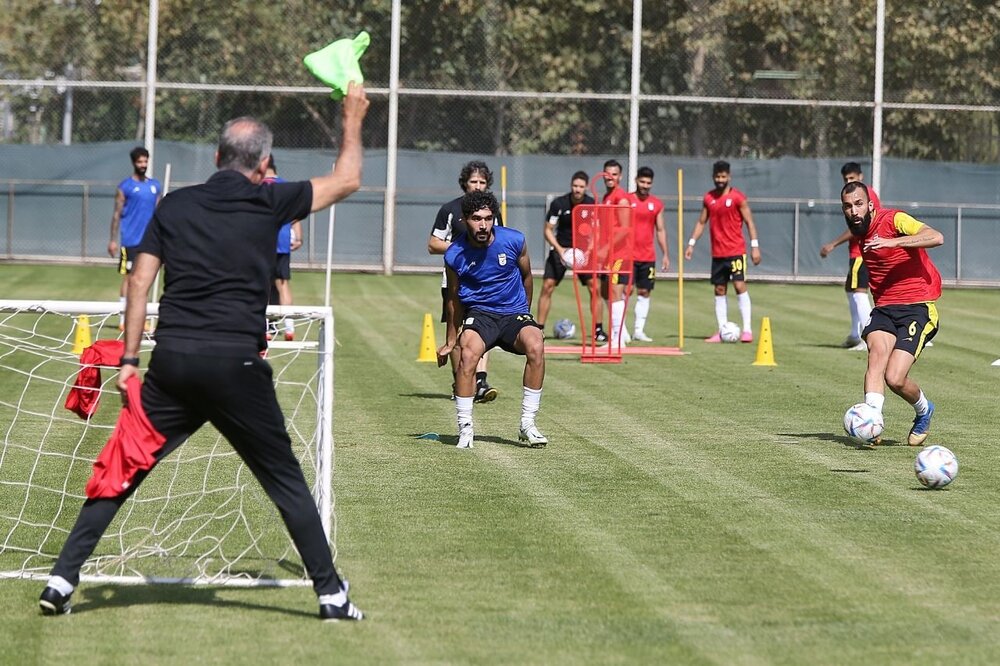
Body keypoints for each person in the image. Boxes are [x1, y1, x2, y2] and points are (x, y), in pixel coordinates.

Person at [38, 83, 370, 622]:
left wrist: (127, 362)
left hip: (171, 367)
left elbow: (140, 284)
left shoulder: (174, 204)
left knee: (123, 470)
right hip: (236, 366)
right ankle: (331, 595)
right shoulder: (270, 199)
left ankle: (61, 578)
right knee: (285, 483)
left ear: (216, 158)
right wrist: (351, 116)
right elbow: (349, 178)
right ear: (264, 165)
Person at [436, 190, 547, 450]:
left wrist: (525, 315)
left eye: (488, 218)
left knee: (537, 343)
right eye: (477, 218)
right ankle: (465, 428)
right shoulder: (454, 254)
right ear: (465, 220)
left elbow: (527, 277)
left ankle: (527, 424)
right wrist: (450, 340)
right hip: (480, 314)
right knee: (468, 353)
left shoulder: (515, 240)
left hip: (513, 312)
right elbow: (453, 298)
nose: (483, 224)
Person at [840, 180, 942, 446]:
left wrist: (894, 243)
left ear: (870, 205)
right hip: (885, 309)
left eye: (859, 204)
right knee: (876, 357)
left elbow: (936, 236)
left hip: (917, 308)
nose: (854, 210)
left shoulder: (894, 220)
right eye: (848, 206)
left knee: (895, 378)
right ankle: (871, 423)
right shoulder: (859, 232)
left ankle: (924, 410)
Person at [428, 161, 499, 402]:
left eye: (482, 182)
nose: (477, 186)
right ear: (464, 183)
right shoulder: (450, 210)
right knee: (457, 331)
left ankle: (480, 381)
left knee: (485, 328)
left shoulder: (491, 213)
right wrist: (462, 248)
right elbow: (433, 244)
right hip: (455, 281)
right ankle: (460, 380)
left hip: (484, 281)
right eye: (473, 182)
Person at [683, 160, 761, 343]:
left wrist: (755, 246)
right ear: (713, 177)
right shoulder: (708, 198)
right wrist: (691, 243)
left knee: (739, 285)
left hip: (736, 251)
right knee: (719, 289)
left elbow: (749, 222)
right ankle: (721, 330)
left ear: (729, 177)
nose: (720, 179)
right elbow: (702, 222)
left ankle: (747, 330)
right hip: (718, 253)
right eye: (717, 176)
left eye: (723, 176)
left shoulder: (738, 198)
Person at [819, 162, 880, 351]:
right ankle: (854, 334)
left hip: (862, 252)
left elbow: (857, 229)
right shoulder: (857, 196)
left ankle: (869, 338)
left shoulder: (865, 195)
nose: (848, 182)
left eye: (852, 178)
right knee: (850, 290)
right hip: (858, 251)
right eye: (846, 179)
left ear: (860, 177)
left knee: (859, 294)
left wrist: (833, 244)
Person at [535, 170, 599, 338]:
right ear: (571, 186)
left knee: (595, 288)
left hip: (584, 252)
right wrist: (560, 249)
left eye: (581, 186)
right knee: (547, 286)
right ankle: (539, 329)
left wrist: (588, 251)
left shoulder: (591, 204)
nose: (577, 189)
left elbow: (596, 231)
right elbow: (548, 230)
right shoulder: (559, 204)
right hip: (561, 250)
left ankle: (598, 330)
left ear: (586, 187)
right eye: (575, 186)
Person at [108, 146, 161, 330]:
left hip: (150, 241)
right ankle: (124, 319)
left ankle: (140, 317)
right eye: (140, 161)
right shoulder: (125, 187)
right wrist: (113, 239)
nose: (143, 165)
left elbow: (160, 213)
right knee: (130, 279)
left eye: (145, 161)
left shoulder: (155, 186)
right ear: (134, 163)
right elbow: (116, 214)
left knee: (144, 279)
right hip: (130, 240)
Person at [263, 155, 304, 341]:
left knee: (263, 284)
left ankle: (266, 327)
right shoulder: (287, 187)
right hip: (282, 242)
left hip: (261, 242)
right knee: (282, 285)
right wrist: (298, 236)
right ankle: (288, 327)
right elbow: (296, 215)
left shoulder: (256, 186)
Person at [627, 166, 669, 342]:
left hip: (647, 256)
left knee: (644, 292)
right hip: (627, 256)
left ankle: (639, 330)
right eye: (642, 181)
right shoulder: (626, 200)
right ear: (636, 180)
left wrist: (665, 254)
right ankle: (620, 331)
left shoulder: (656, 204)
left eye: (648, 183)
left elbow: (660, 230)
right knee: (625, 291)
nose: (645, 185)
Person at [599, 159, 633, 349]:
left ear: (619, 176)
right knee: (605, 291)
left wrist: (606, 248)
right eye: (607, 173)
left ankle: (617, 339)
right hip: (609, 254)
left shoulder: (621, 198)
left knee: (615, 291)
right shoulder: (606, 197)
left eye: (614, 174)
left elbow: (625, 229)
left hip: (620, 253)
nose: (610, 177)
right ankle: (622, 331)